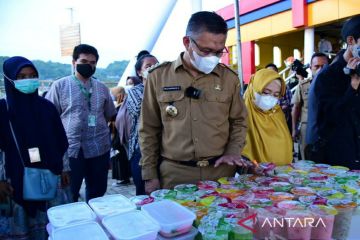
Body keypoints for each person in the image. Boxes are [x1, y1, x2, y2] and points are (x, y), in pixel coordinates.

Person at [139, 11, 248, 194]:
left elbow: (239, 121)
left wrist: (233, 151)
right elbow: (149, 129)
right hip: (176, 174)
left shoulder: (229, 79)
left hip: (221, 174)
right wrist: (150, 174)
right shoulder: (158, 77)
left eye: (218, 52)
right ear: (187, 42)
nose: (212, 57)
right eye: (205, 51)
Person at [0, 56, 69, 239]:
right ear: (9, 79)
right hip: (14, 180)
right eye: (21, 76)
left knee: (52, 227)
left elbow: (60, 140)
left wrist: (64, 168)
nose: (28, 80)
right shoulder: (2, 110)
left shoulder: (47, 107)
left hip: (50, 177)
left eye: (32, 75)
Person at [46, 44, 117, 201]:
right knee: (70, 193)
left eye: (92, 63)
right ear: (74, 62)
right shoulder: (59, 86)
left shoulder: (103, 88)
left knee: (98, 193)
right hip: (70, 149)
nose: (88, 65)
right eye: (84, 61)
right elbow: (51, 118)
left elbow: (108, 115)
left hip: (98, 147)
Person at [314, 16, 360, 169]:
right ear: (351, 41)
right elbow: (329, 118)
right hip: (342, 160)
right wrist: (352, 88)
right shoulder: (328, 76)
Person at [116, 53, 159, 195]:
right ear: (140, 72)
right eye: (148, 66)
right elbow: (144, 113)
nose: (153, 68)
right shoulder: (135, 92)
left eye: (156, 65)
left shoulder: (165, 90)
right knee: (144, 193)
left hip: (164, 149)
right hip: (141, 150)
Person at [242, 68, 292, 165]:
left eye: (276, 95)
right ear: (253, 88)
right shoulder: (239, 115)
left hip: (281, 175)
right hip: (251, 177)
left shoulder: (278, 114)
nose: (270, 98)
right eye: (265, 92)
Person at [291, 53, 328, 159]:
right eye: (316, 66)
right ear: (311, 68)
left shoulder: (334, 86)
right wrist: (294, 130)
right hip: (306, 127)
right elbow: (296, 108)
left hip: (327, 127)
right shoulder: (303, 85)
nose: (320, 70)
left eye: (324, 66)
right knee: (306, 158)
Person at [109, 86, 131, 185]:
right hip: (119, 134)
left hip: (122, 135)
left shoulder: (125, 104)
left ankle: (124, 178)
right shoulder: (122, 104)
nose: (113, 98)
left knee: (120, 157)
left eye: (114, 96)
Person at [265, 63, 293, 134]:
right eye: (268, 73)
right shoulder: (261, 89)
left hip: (283, 124)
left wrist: (282, 108)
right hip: (266, 125)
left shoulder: (284, 88)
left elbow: (290, 104)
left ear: (277, 74)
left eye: (273, 72)